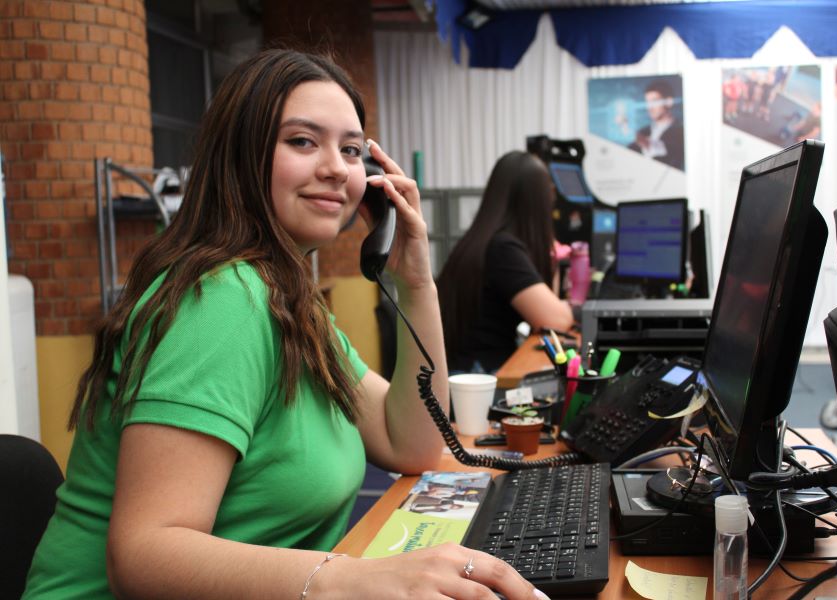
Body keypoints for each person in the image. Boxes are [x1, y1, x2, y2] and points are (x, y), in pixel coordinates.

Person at [23, 49, 547, 600]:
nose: (336, 168)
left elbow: (410, 444)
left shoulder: (287, 299)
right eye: (302, 141)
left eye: (350, 149)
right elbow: (144, 555)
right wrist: (347, 580)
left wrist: (416, 282)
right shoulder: (222, 301)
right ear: (241, 156)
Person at [437, 151, 574, 374]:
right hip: (479, 374)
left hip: (463, 370)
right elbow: (555, 320)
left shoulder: (483, 239)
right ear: (536, 203)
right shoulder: (502, 249)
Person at [627, 80, 685, 171]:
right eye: (647, 102)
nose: (649, 107)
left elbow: (667, 149)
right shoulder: (643, 131)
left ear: (669, 102)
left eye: (654, 101)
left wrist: (629, 130)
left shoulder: (681, 131)